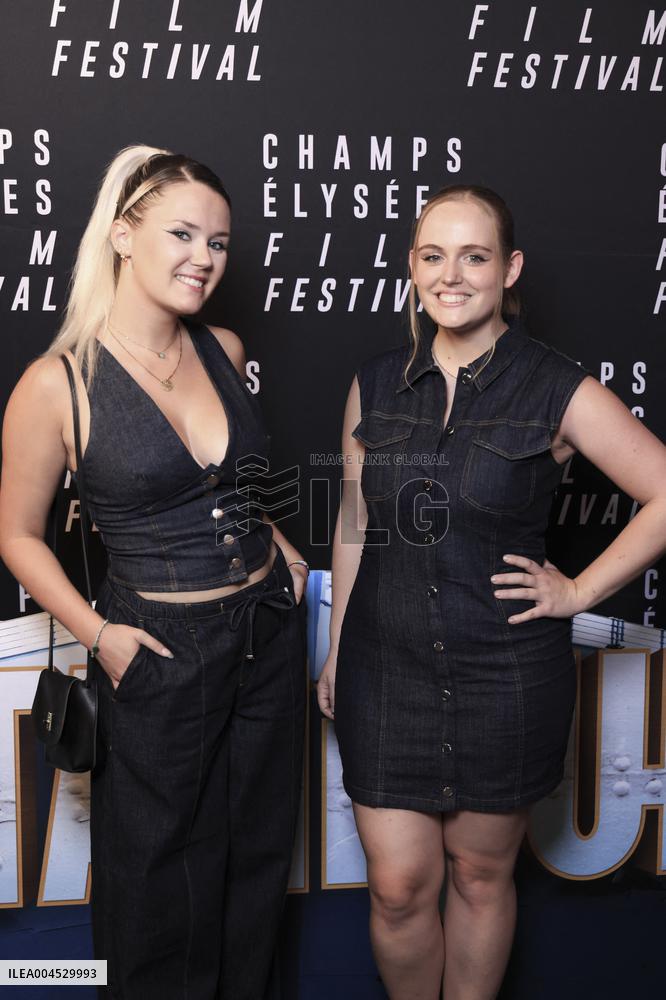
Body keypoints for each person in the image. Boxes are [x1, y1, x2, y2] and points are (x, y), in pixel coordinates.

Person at [317, 184, 666, 1000]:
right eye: (433, 256)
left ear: (508, 270)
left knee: (479, 875)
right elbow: (359, 517)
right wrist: (338, 650)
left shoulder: (555, 386)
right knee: (399, 887)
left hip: (504, 674)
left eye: (474, 256)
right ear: (411, 269)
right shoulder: (374, 383)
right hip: (384, 668)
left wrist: (578, 588)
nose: (452, 275)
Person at [0, 144, 308, 999]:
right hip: (158, 650)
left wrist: (277, 541)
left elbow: (238, 477)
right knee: (151, 879)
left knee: (255, 866)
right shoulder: (56, 384)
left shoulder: (223, 345)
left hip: (267, 635)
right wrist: (100, 637)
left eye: (218, 243)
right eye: (182, 233)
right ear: (124, 233)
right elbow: (17, 536)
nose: (203, 259)